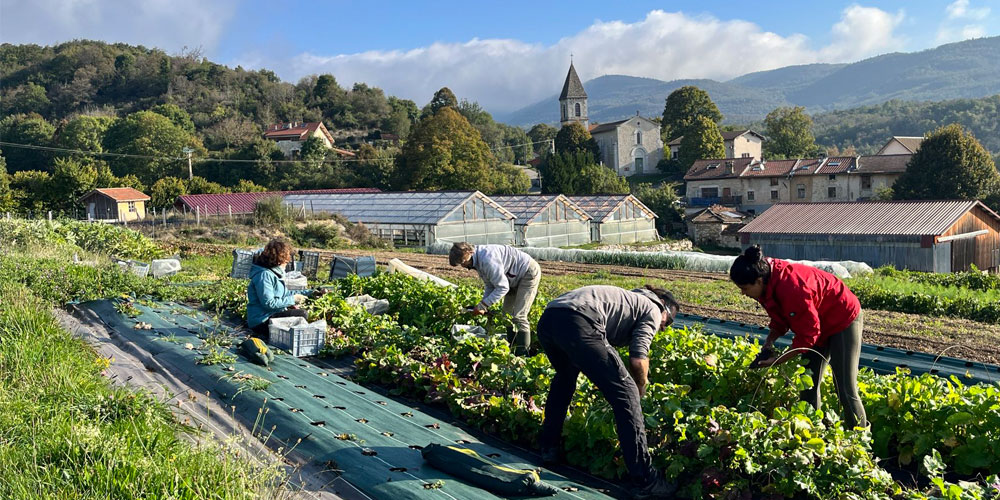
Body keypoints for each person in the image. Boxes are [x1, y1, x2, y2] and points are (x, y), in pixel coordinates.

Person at [536, 284, 680, 499]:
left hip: (550, 318)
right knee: (627, 395)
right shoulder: (651, 309)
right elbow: (638, 358)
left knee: (565, 379)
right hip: (580, 320)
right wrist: (640, 386)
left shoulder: (628, 300)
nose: (662, 329)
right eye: (665, 325)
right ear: (664, 310)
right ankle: (645, 480)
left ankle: (549, 448)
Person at [729, 245, 867, 430]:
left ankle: (860, 440)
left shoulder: (791, 287)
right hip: (815, 321)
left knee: (845, 387)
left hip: (842, 317)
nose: (743, 293)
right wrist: (769, 342)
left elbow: (808, 336)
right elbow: (780, 320)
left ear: (759, 281)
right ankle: (812, 434)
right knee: (808, 383)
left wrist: (778, 360)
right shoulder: (766, 285)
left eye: (745, 288)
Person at [449, 242, 541, 356]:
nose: (463, 266)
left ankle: (522, 355)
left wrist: (484, 305)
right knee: (506, 315)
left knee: (519, 316)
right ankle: (512, 350)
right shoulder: (477, 262)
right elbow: (490, 285)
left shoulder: (487, 259)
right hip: (511, 278)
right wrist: (482, 305)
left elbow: (502, 287)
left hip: (527, 273)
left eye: (463, 262)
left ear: (470, 252)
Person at [246, 239, 312, 340]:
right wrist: (293, 299)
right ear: (278, 260)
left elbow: (286, 293)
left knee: (298, 313)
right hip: (261, 321)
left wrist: (310, 293)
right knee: (301, 314)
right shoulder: (264, 275)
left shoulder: (273, 274)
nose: (287, 263)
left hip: (270, 316)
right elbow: (269, 303)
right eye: (286, 261)